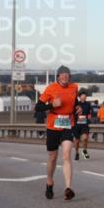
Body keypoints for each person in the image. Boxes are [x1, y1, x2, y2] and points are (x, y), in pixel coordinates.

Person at [36, 65, 78, 200]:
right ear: (58, 76)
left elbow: (74, 101)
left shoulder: (74, 87)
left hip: (68, 124)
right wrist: (51, 105)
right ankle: (49, 181)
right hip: (53, 126)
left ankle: (68, 188)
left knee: (66, 155)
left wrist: (77, 108)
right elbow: (38, 107)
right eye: (62, 74)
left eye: (67, 74)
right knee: (53, 157)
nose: (65, 76)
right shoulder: (51, 88)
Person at [73, 91, 92, 161]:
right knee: (77, 141)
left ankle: (84, 151)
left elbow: (89, 113)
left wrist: (89, 116)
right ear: (79, 97)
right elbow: (72, 113)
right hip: (76, 125)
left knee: (85, 138)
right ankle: (77, 153)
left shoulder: (88, 104)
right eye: (82, 97)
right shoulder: (76, 104)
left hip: (84, 124)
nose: (84, 98)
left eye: (85, 97)